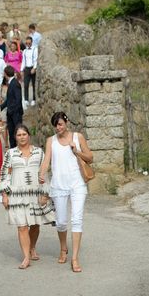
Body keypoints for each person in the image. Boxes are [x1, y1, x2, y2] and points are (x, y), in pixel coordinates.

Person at [39, 112, 93, 273]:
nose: (58, 128)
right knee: (61, 222)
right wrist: (42, 174)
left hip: (77, 185)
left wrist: (76, 151)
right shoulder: (51, 141)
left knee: (77, 220)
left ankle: (75, 258)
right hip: (59, 186)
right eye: (55, 125)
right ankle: (63, 248)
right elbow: (46, 161)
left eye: (60, 124)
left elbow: (90, 157)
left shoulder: (78, 137)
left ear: (67, 122)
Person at [0, 125, 55, 269]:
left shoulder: (39, 152)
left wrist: (45, 194)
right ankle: (26, 257)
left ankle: (32, 247)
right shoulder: (10, 153)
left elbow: (45, 173)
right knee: (22, 226)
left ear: (29, 135)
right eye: (19, 135)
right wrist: (4, 195)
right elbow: (4, 174)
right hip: (17, 195)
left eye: (24, 134)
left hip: (35, 193)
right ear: (15, 137)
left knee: (35, 224)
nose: (22, 137)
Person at [0, 66, 23, 148]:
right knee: (11, 133)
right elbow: (9, 100)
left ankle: (18, 150)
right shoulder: (12, 83)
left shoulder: (15, 83)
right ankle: (13, 150)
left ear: (6, 74)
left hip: (15, 114)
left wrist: (11, 111)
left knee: (17, 133)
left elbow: (18, 100)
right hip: (11, 114)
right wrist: (0, 108)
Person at [21, 36, 38, 107]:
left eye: (29, 43)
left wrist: (34, 68)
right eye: (26, 43)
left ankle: (34, 99)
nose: (28, 44)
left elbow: (35, 59)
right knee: (26, 84)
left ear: (31, 42)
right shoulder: (24, 51)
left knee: (34, 84)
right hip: (27, 69)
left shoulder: (35, 49)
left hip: (32, 68)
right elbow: (23, 61)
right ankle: (26, 99)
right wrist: (21, 70)